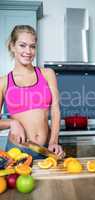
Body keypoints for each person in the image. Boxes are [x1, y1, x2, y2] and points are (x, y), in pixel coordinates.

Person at [0, 25, 64, 159]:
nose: (28, 51)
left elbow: (55, 110)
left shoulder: (47, 74)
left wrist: (54, 141)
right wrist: (12, 123)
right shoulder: (4, 82)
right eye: (22, 45)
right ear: (12, 46)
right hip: (17, 152)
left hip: (46, 150)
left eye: (32, 46)